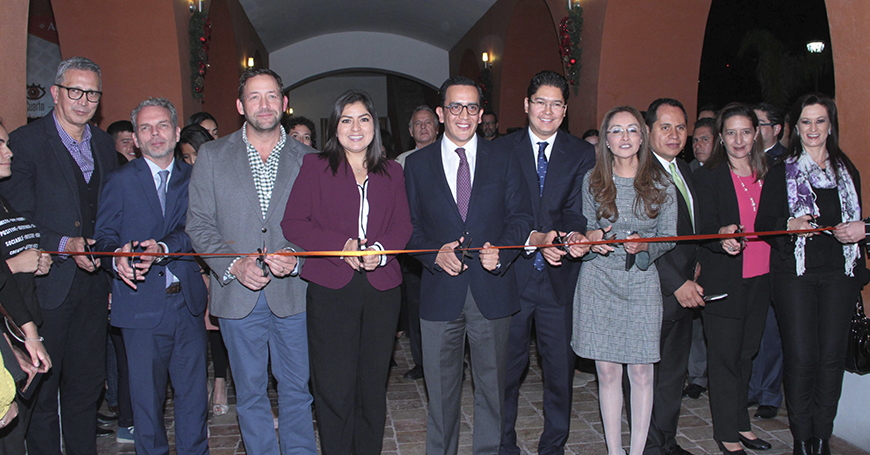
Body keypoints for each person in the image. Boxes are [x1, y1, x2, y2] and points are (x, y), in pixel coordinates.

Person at [187, 68, 316, 455]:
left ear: (285, 104)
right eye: (255, 97)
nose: (264, 104)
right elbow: (198, 223)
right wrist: (232, 265)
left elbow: (321, 225)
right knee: (250, 391)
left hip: (293, 293)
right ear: (241, 105)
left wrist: (296, 256)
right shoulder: (211, 155)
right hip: (237, 295)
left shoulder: (311, 159)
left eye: (272, 96)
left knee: (297, 388)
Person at [404, 75, 533, 455]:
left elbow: (522, 217)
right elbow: (406, 230)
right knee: (441, 398)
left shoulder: (504, 157)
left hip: (491, 292)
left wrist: (504, 251)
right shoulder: (416, 165)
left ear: (481, 113)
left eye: (472, 107)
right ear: (442, 113)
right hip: (440, 295)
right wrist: (433, 254)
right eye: (456, 107)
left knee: (492, 393)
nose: (464, 115)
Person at [281, 89, 411, 455]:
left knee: (371, 385)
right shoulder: (315, 167)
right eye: (346, 119)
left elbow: (403, 227)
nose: (356, 128)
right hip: (331, 289)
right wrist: (343, 245)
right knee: (334, 386)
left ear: (375, 126)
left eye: (364, 119)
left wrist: (380, 252)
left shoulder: (393, 172)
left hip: (382, 290)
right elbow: (293, 224)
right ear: (335, 128)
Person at [0, 56, 118, 454]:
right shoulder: (25, 143)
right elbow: (19, 219)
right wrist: (64, 244)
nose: (84, 100)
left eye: (92, 93)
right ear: (55, 92)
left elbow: (108, 213)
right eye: (75, 90)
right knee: (44, 393)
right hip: (47, 286)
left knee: (86, 387)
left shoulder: (103, 143)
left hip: (93, 283)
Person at [94, 97, 209, 455]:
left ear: (176, 132)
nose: (154, 134)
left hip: (187, 304)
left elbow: (199, 230)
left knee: (193, 399)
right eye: (145, 128)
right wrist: (117, 259)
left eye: (161, 126)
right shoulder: (119, 180)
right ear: (135, 138)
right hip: (139, 305)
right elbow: (104, 239)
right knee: (146, 403)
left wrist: (163, 247)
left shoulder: (197, 178)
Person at [756, 94, 865, 455]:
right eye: (806, 122)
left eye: (820, 121)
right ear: (795, 127)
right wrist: (789, 224)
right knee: (802, 357)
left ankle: (822, 437)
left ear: (830, 125)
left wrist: (859, 229)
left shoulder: (848, 171)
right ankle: (802, 440)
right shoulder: (780, 171)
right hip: (795, 277)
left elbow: (857, 222)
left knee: (831, 358)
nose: (813, 129)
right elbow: (763, 226)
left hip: (840, 275)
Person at [497, 70, 595, 455]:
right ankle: (505, 443)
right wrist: (530, 241)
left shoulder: (581, 153)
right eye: (540, 102)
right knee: (507, 372)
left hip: (558, 281)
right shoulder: (502, 149)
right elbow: (499, 213)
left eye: (556, 103)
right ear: (526, 105)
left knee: (559, 373)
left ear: (565, 109)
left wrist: (568, 239)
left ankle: (553, 445)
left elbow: (577, 212)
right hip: (513, 277)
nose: (548, 110)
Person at [575, 106, 676, 455]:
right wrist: (592, 238)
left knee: (642, 373)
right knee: (606, 373)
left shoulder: (661, 182)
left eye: (632, 130)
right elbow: (585, 228)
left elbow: (670, 236)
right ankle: (614, 451)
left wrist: (646, 244)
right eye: (616, 131)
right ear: (605, 139)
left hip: (641, 281)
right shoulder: (592, 180)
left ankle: (637, 452)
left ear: (643, 137)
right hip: (599, 281)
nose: (625, 138)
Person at [693, 102, 773, 454]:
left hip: (763, 277)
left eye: (745, 131)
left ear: (756, 134)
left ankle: (742, 423)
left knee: (747, 353)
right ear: (721, 139)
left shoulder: (771, 173)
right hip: (725, 278)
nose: (738, 139)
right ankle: (727, 433)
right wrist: (719, 233)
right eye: (730, 133)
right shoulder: (707, 177)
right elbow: (700, 229)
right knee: (725, 358)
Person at [643, 98, 703, 455]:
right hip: (656, 290)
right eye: (665, 127)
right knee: (646, 376)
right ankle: (649, 444)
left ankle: (665, 440)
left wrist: (697, 266)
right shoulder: (640, 174)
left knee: (672, 376)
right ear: (649, 130)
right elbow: (643, 239)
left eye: (681, 127)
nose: (674, 134)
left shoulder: (685, 171)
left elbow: (691, 230)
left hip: (685, 291)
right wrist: (676, 282)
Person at [0, 119, 52, 453]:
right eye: (0, 144)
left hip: (12, 326)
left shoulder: (4, 198)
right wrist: (16, 264)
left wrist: (25, 336)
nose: (8, 151)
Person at [394, 104, 438, 381]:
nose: (423, 127)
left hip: (445, 244)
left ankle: (455, 360)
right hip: (412, 248)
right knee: (417, 307)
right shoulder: (402, 162)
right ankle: (422, 363)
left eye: (428, 123)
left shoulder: (449, 156)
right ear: (411, 131)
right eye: (417, 124)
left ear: (437, 127)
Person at [748, 102, 786, 420]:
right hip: (747, 252)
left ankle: (770, 393)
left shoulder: (787, 163)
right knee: (753, 326)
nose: (755, 130)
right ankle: (751, 387)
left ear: (777, 128)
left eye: (759, 124)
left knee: (772, 328)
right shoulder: (742, 159)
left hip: (777, 254)